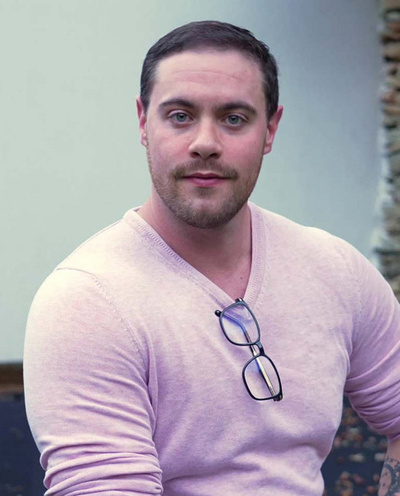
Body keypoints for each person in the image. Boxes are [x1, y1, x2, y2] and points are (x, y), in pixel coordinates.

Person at [24, 20, 400, 496]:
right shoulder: (87, 301)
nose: (205, 142)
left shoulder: (334, 269)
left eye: (234, 118)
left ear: (271, 129)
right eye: (180, 116)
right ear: (143, 122)